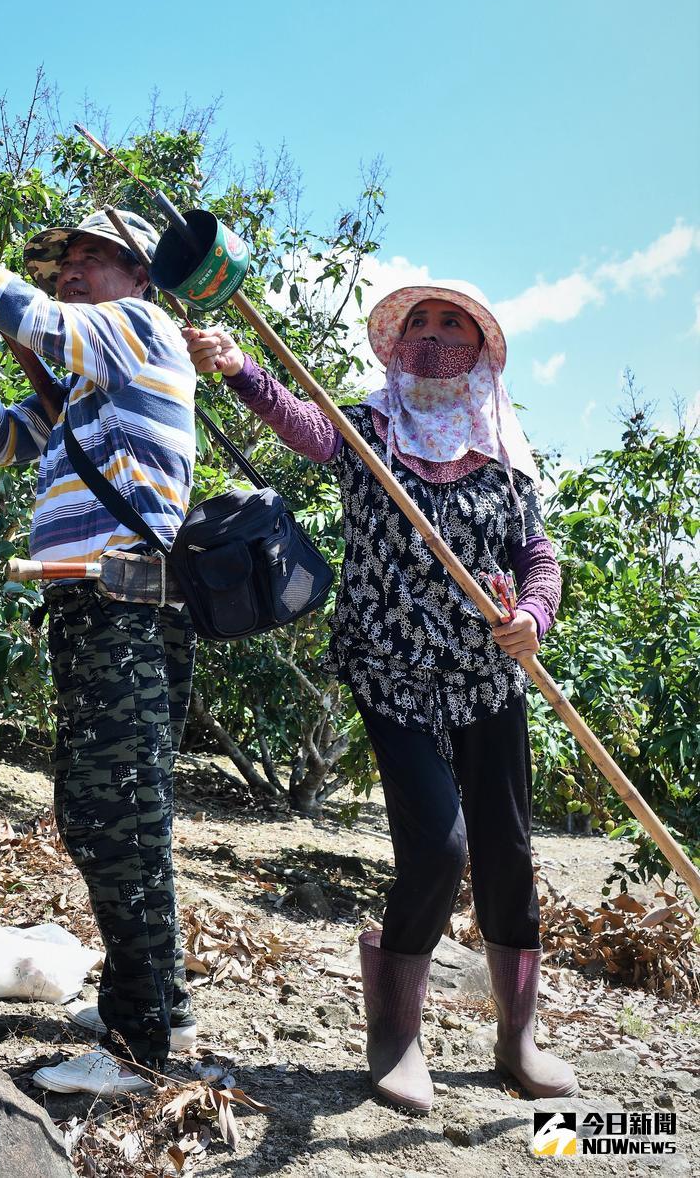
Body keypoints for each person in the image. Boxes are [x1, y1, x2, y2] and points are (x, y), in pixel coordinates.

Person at [184, 281, 578, 1113]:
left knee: (507, 852)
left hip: (486, 674)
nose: (432, 336)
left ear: (480, 347)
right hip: (390, 668)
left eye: (451, 324)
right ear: (395, 343)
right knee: (439, 848)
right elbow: (308, 427)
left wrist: (533, 616)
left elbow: (538, 556)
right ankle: (396, 1032)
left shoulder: (503, 450)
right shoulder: (372, 428)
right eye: (420, 323)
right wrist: (238, 368)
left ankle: (518, 1039)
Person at [0, 175, 199, 1097]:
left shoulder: (140, 330)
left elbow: (48, 326)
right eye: (58, 265)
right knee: (104, 815)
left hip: (125, 609)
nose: (65, 274)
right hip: (87, 612)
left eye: (84, 259)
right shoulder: (84, 397)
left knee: (118, 820)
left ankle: (138, 1048)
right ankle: (156, 1000)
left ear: (136, 273)